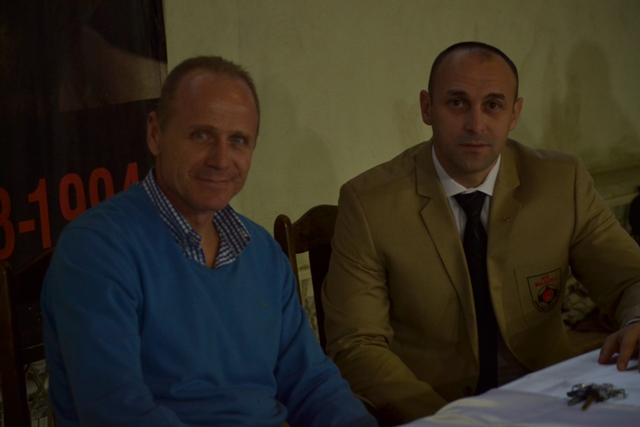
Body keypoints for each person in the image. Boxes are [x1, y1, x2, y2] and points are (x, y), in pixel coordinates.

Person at [42, 56, 377, 427]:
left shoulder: (261, 250)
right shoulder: (95, 250)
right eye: (201, 135)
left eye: (238, 140)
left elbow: (312, 383)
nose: (221, 159)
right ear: (155, 134)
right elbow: (117, 411)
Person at [322, 41, 640, 426]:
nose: (475, 124)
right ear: (427, 107)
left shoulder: (562, 182)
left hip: (549, 402)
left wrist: (635, 320)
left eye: (493, 105)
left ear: (514, 114)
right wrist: (450, 419)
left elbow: (630, 279)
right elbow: (357, 344)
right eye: (457, 103)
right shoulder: (369, 203)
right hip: (433, 408)